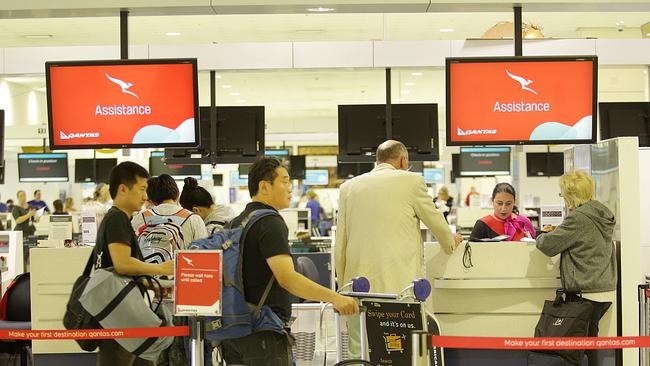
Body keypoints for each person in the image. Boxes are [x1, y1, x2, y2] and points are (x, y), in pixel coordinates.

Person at [221, 157, 358, 365]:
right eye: (284, 181)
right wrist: (335, 297)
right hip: (263, 335)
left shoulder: (235, 223)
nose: (290, 188)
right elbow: (288, 279)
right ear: (264, 186)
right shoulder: (270, 222)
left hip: (234, 331)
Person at [335, 140, 462, 358]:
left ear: (378, 160)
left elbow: (341, 239)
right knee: (399, 349)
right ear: (403, 161)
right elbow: (435, 220)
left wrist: (342, 285)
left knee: (358, 347)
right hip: (398, 286)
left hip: (356, 285)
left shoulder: (349, 187)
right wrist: (450, 241)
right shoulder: (412, 181)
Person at [94, 162, 173, 366]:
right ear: (122, 189)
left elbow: (121, 273)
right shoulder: (117, 220)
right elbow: (122, 264)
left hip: (119, 315)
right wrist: (161, 268)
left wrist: (158, 284)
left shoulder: (116, 219)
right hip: (119, 318)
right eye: (142, 189)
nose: (146, 196)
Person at [536, 171, 617, 293]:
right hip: (604, 285)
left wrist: (540, 235)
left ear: (570, 195)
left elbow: (546, 245)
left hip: (585, 289)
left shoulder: (578, 217)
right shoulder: (599, 213)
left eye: (562, 194)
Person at [470, 183, 536, 241]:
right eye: (499, 203)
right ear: (492, 201)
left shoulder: (524, 222)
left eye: (508, 203)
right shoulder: (482, 224)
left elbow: (533, 248)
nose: (504, 208)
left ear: (514, 202)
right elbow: (471, 251)